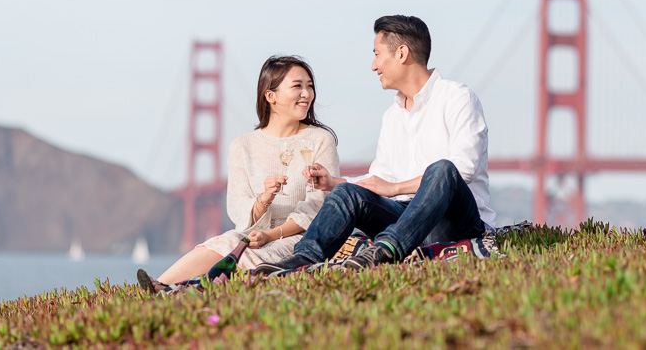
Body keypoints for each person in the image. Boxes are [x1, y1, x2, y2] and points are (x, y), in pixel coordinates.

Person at [255, 15, 495, 274]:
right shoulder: (392, 115)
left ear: (401, 53)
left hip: (455, 221)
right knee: (345, 194)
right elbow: (381, 178)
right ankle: (302, 259)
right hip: (404, 220)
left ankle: (385, 250)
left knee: (442, 170)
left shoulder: (457, 97)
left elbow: (464, 169)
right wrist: (335, 183)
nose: (373, 65)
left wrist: (394, 188)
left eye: (377, 54)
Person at [137, 55, 339, 292]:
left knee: (243, 257)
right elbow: (236, 206)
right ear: (270, 96)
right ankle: (158, 287)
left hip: (302, 237)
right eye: (297, 86)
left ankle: (180, 293)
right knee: (220, 244)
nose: (307, 94)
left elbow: (317, 208)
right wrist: (263, 200)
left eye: (310, 86)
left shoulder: (320, 140)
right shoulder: (242, 146)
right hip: (253, 233)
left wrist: (270, 236)